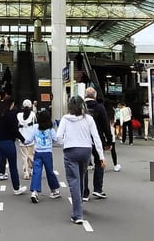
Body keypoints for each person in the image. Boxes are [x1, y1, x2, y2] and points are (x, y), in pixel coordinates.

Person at [56, 95, 105, 225]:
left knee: (73, 181)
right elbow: (96, 137)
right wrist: (101, 156)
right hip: (86, 151)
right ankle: (81, 201)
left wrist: (65, 143)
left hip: (70, 151)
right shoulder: (88, 119)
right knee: (82, 176)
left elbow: (58, 137)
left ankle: (77, 214)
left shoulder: (65, 119)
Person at [0, 95, 26, 200]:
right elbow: (15, 130)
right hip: (8, 143)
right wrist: (23, 139)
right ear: (11, 104)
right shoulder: (11, 115)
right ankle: (16, 188)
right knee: (13, 167)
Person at [83, 88, 114, 200]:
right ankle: (98, 189)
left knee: (84, 166)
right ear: (95, 96)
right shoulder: (100, 107)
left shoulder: (81, 107)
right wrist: (109, 141)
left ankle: (84, 192)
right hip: (97, 139)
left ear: (85, 95)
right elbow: (106, 125)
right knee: (99, 162)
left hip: (83, 139)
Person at [27, 110, 61, 203]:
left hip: (38, 152)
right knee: (50, 171)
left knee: (36, 172)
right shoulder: (50, 129)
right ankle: (54, 190)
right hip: (47, 153)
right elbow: (56, 139)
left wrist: (23, 141)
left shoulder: (35, 127)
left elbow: (29, 139)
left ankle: (34, 191)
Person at [17, 99, 37, 180]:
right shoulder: (33, 114)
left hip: (22, 139)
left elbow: (17, 125)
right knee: (31, 156)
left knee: (24, 157)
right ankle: (32, 170)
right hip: (31, 138)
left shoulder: (19, 115)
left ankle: (26, 173)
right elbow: (36, 124)